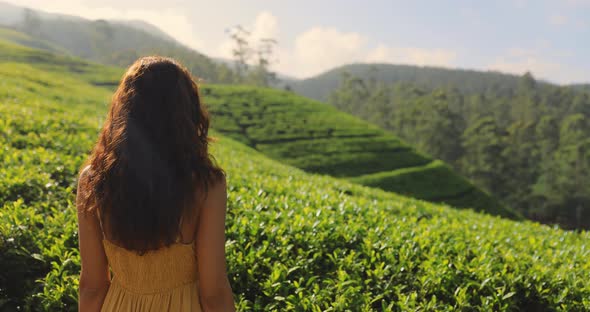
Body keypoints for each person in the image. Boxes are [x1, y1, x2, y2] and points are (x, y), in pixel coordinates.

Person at [75, 56, 236, 311]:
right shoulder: (206, 186)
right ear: (186, 113)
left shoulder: (93, 181)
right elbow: (213, 292)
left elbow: (92, 286)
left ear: (124, 111)